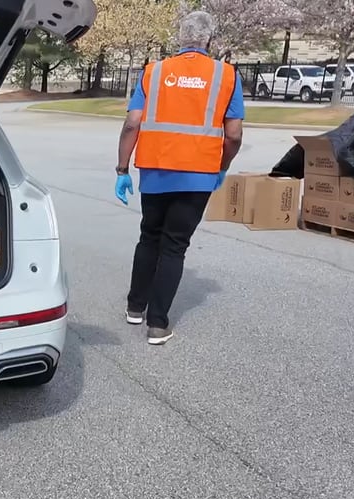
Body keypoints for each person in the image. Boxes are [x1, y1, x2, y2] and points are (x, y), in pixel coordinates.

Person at [115, 11, 244, 346]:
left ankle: (134, 306)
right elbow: (233, 135)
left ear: (179, 38)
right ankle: (158, 324)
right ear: (209, 40)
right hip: (199, 174)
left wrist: (121, 169)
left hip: (155, 170)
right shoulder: (226, 75)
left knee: (149, 237)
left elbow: (132, 123)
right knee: (174, 246)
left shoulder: (154, 72)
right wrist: (222, 167)